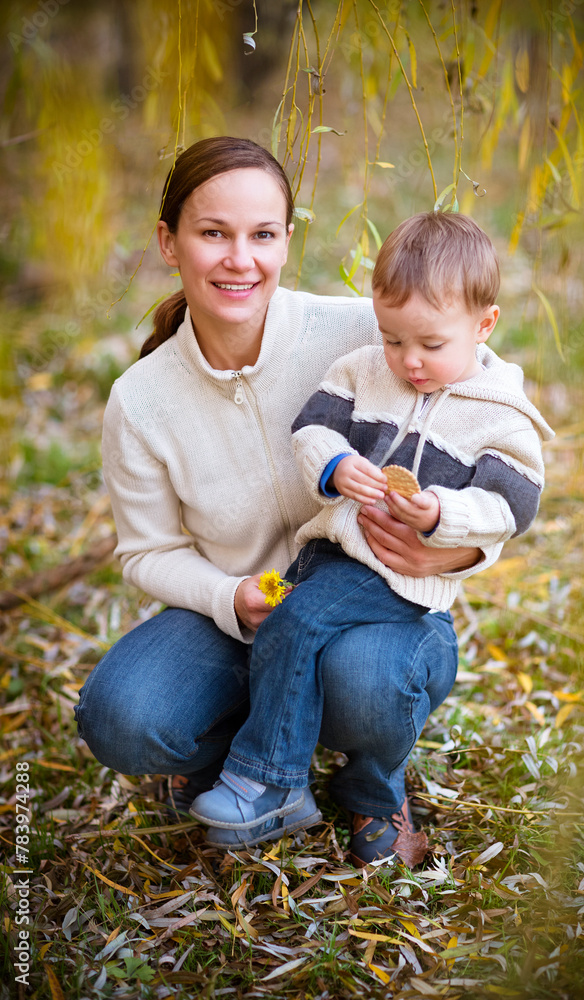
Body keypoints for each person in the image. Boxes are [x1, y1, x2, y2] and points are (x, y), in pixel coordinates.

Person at [74, 137, 501, 868]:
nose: (240, 259)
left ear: (285, 241)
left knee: (365, 686)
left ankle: (374, 783)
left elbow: (482, 403)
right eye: (213, 233)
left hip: (374, 605)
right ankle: (243, 752)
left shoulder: (360, 332)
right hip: (242, 617)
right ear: (168, 242)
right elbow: (147, 551)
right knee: (122, 717)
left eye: (262, 235)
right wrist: (228, 595)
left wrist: (459, 546)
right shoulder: (141, 401)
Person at [188, 212, 555, 865]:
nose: (408, 361)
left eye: (429, 344)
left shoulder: (498, 413)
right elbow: (312, 430)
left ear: (484, 325)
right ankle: (255, 754)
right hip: (330, 554)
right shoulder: (363, 371)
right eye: (392, 339)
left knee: (296, 623)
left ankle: (269, 781)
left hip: (401, 581)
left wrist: (441, 512)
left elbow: (513, 503)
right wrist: (333, 465)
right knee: (277, 615)